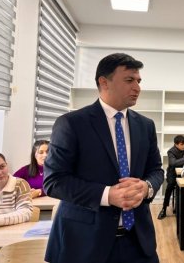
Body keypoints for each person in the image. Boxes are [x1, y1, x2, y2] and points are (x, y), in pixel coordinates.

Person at [43, 53, 164, 263]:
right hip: (84, 243)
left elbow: (156, 170)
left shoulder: (145, 126)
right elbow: (54, 182)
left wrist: (146, 188)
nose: (137, 87)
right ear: (104, 82)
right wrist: (108, 195)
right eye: (129, 80)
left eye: (138, 81)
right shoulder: (72, 124)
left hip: (138, 240)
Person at [158, 135, 184, 220]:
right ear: (176, 144)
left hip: (183, 173)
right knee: (170, 186)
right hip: (172, 174)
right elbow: (173, 163)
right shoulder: (171, 151)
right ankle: (164, 209)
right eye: (181, 144)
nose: (183, 146)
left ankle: (183, 210)